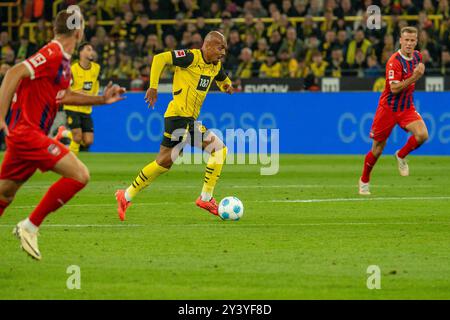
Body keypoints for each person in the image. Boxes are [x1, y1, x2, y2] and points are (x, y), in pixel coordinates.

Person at [0, 10, 126, 260]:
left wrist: (102, 99)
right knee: (80, 175)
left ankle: (29, 226)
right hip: (27, 133)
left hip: (26, 135)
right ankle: (29, 226)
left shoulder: (63, 62)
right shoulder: (53, 52)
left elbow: (64, 96)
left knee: (5, 193)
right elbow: (14, 73)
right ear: (79, 31)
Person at [115, 31, 233, 221]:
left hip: (182, 118)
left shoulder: (215, 65)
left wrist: (226, 85)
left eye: (225, 49)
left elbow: (221, 77)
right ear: (208, 45)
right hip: (179, 116)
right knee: (215, 151)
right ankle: (206, 197)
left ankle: (126, 195)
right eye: (221, 48)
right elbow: (160, 58)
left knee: (165, 162)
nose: (223, 52)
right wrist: (153, 86)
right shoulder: (190, 57)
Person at [359, 27, 427, 195]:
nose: (409, 44)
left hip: (406, 107)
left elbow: (417, 69)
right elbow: (395, 88)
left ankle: (401, 155)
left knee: (422, 135)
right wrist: (415, 77)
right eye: (407, 40)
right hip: (388, 109)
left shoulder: (418, 56)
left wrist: (417, 73)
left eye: (413, 40)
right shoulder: (394, 61)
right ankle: (364, 180)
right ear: (401, 41)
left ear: (416, 42)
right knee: (377, 149)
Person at [56, 42, 101, 155]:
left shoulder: (96, 68)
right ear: (80, 53)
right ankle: (72, 166)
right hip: (72, 106)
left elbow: (96, 84)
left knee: (88, 141)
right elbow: (64, 90)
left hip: (86, 109)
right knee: (77, 136)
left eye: (92, 50)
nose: (91, 52)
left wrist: (94, 96)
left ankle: (63, 133)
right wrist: (78, 93)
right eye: (88, 49)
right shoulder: (72, 69)